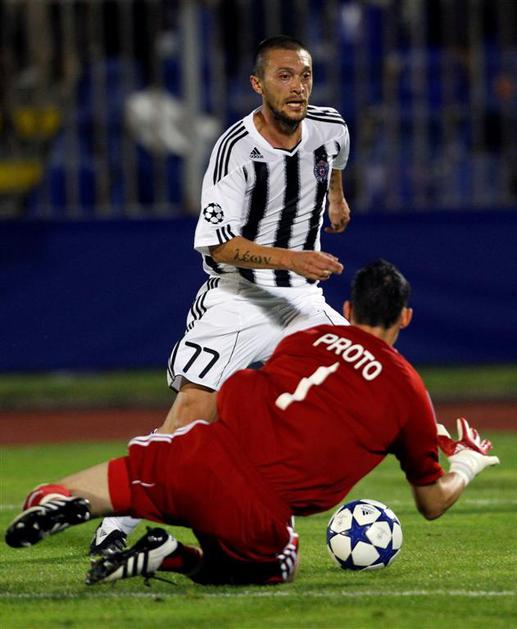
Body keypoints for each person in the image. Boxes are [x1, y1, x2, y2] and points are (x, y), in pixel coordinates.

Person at [5, 260, 500, 587]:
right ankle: (174, 555)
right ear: (405, 318)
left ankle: (53, 501)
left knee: (76, 490)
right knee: (277, 565)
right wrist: (466, 464)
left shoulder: (302, 342)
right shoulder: (406, 389)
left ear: (348, 310)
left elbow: (250, 390)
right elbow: (431, 502)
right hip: (255, 507)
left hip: (194, 452)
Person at [91, 34, 352, 554]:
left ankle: (269, 504)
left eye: (304, 76)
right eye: (283, 76)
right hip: (240, 298)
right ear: (258, 84)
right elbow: (219, 245)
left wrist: (337, 199)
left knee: (365, 375)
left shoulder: (330, 125)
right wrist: (293, 258)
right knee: (191, 413)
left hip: (302, 300)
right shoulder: (235, 151)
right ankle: (115, 525)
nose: (297, 87)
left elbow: (336, 157)